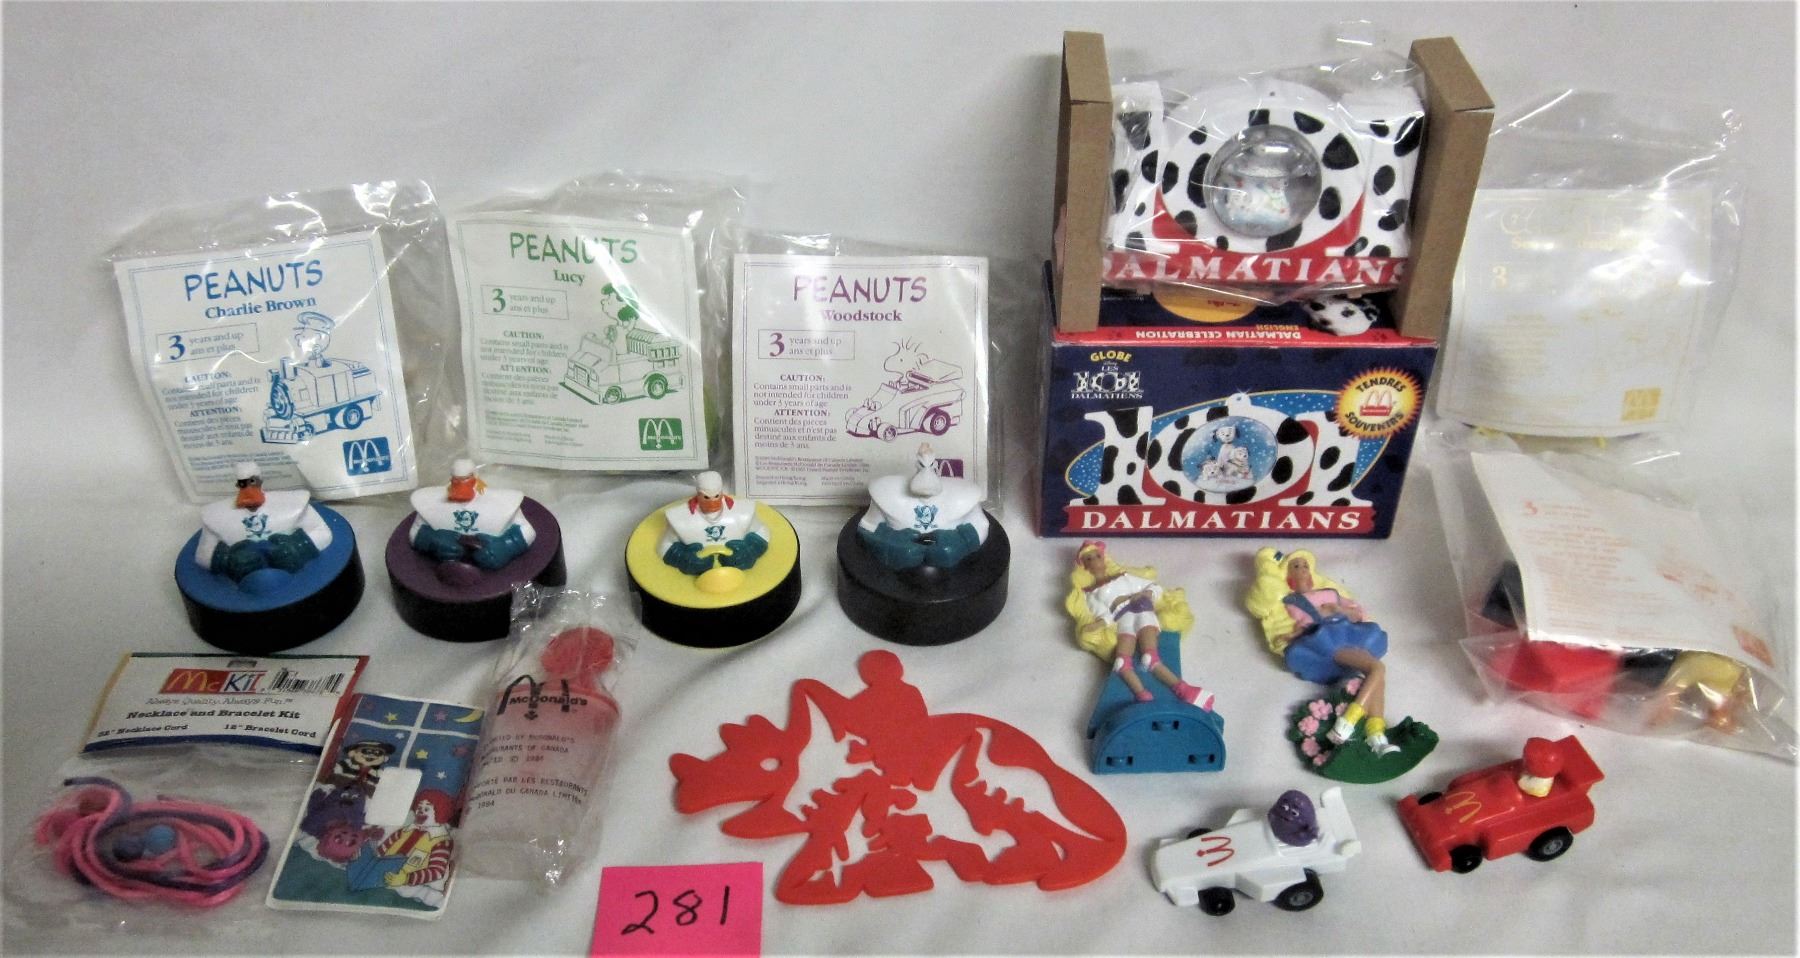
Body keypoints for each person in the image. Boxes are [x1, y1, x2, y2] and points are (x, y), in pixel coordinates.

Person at [1245, 547, 1397, 755]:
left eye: (1305, 566)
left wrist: (1337, 609)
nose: (1302, 569)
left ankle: (1373, 735)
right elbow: (1302, 626)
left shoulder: (1330, 593)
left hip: (1350, 634)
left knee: (1375, 671)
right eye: (1296, 566)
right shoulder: (1292, 602)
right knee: (1377, 669)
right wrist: (1287, 637)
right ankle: (1356, 727)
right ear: (1288, 577)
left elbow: (1356, 614)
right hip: (1326, 642)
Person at [1064, 541, 1212, 709]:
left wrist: (1146, 594)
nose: (1095, 560)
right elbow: (1104, 615)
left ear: (1104, 558)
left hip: (1142, 613)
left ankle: (1185, 691)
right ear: (1084, 565)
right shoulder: (1090, 594)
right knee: (1121, 663)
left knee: (1149, 657)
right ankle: (1142, 695)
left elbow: (1153, 586)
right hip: (1123, 620)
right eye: (1089, 559)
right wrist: (1097, 625)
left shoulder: (1124, 577)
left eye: (1098, 556)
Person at [193, 462, 333, 584]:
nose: (248, 490)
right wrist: (227, 560)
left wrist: (298, 548)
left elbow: (322, 532)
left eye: (252, 482)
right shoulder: (216, 515)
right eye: (243, 484)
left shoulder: (293, 504)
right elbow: (203, 553)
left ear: (260, 482)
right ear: (238, 485)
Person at [857, 444, 988, 570]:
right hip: (896, 573)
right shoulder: (886, 493)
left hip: (951, 573)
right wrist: (888, 545)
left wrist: (963, 542)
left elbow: (981, 524)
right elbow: (867, 526)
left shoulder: (962, 496)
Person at [408, 459, 535, 571]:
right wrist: (432, 541)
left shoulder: (502, 501)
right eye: (457, 479)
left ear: (475, 476)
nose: (461, 483)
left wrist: (506, 546)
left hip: (492, 569)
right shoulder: (432, 501)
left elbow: (528, 530)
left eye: (466, 478)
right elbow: (415, 531)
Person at [659, 471, 769, 575]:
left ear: (721, 493)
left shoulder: (743, 512)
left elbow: (762, 532)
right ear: (698, 494)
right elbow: (664, 546)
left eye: (716, 496)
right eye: (706, 497)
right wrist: (683, 559)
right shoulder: (679, 517)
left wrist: (750, 550)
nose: (712, 503)